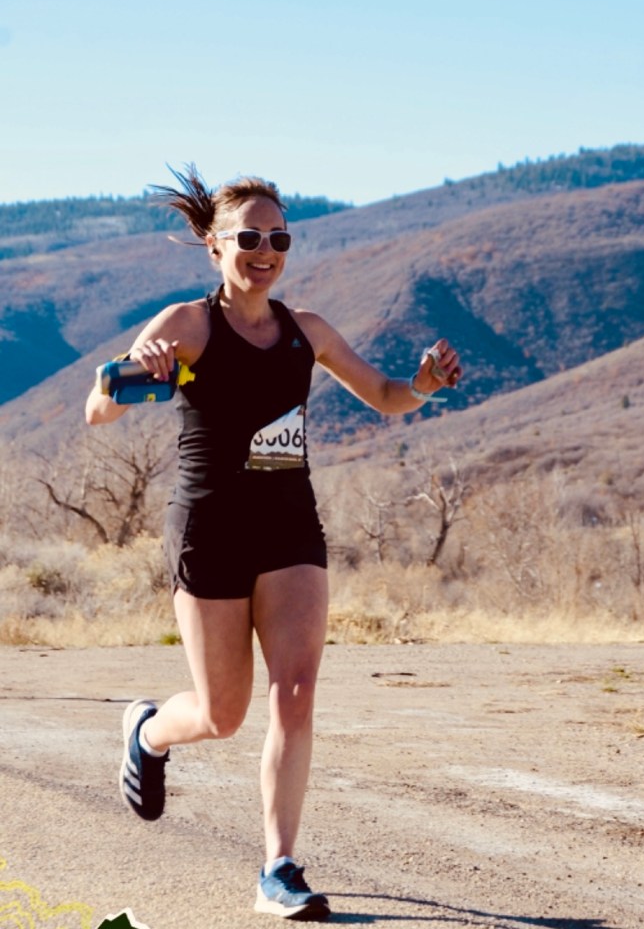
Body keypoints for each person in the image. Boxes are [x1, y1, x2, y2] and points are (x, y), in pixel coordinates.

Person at [85, 165, 462, 922]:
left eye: (279, 239)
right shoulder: (187, 325)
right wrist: (136, 373)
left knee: (295, 691)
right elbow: (100, 408)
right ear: (216, 246)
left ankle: (278, 868)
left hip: (290, 527)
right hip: (210, 528)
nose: (266, 252)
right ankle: (149, 732)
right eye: (250, 238)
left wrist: (422, 385)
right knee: (222, 714)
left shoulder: (306, 330)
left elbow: (385, 396)